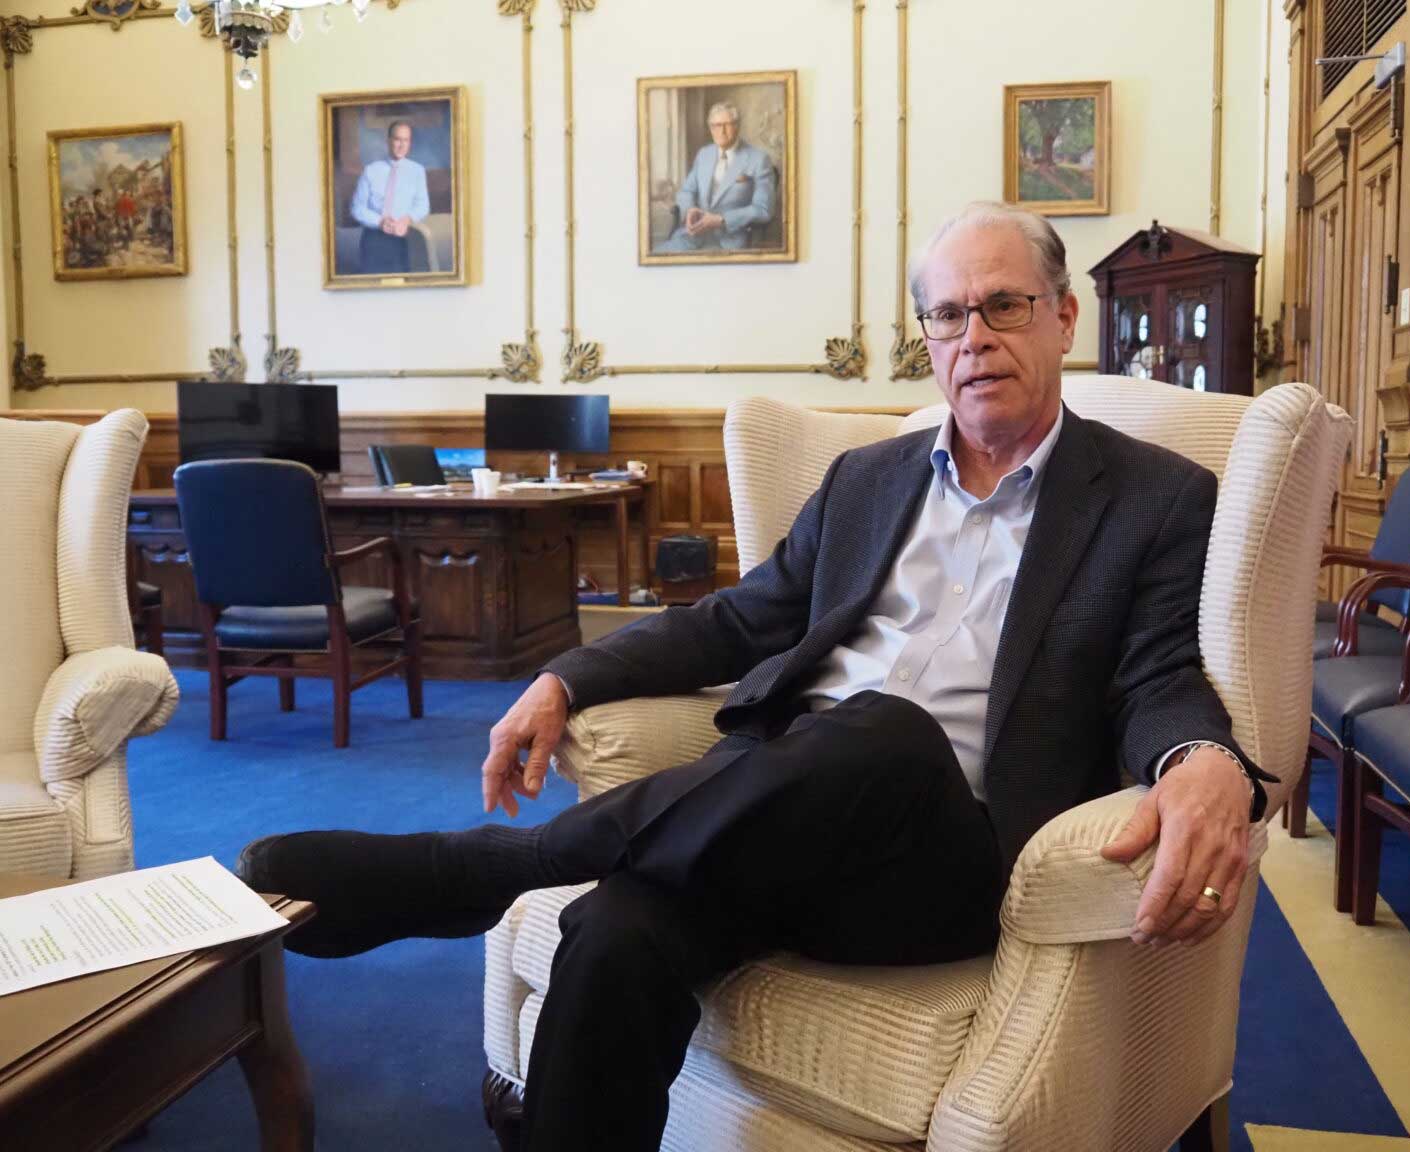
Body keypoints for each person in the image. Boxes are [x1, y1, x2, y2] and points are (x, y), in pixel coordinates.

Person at [239, 201, 1275, 1152]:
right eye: (949, 315)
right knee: (611, 935)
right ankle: (526, 890)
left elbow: (1159, 676)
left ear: (1061, 316)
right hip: (774, 813)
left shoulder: (1154, 496)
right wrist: (566, 680)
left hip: (947, 851)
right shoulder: (866, 480)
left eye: (1003, 306)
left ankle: (491, 870)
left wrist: (1203, 759)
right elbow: (737, 622)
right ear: (927, 339)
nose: (975, 337)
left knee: (883, 728)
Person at [655, 101, 778, 253]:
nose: (721, 131)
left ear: (737, 126)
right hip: (692, 236)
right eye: (716, 126)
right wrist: (690, 209)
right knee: (657, 255)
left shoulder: (758, 159)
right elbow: (686, 191)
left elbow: (764, 210)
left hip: (730, 241)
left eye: (727, 124)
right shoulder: (704, 154)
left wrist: (722, 220)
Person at [349, 119, 431, 274]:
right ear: (388, 141)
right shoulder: (370, 170)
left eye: (406, 140)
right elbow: (357, 208)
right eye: (397, 139)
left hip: (404, 238)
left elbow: (423, 206)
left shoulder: (417, 171)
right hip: (373, 238)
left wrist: (406, 219)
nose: (401, 145)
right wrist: (380, 222)